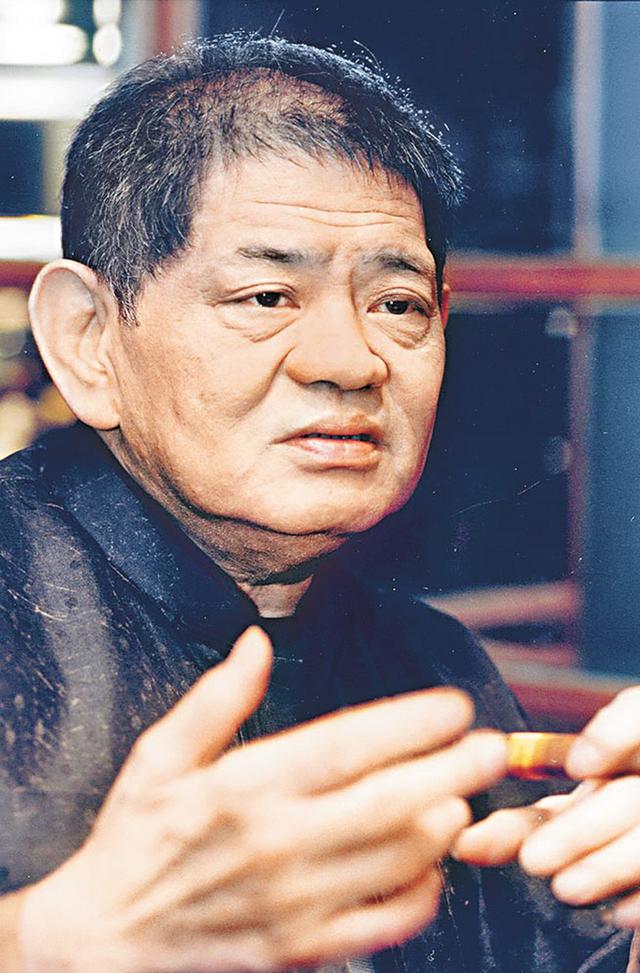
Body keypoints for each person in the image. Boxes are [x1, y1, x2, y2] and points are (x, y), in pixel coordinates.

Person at [1, 31, 639, 972]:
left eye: (397, 305)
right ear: (88, 337)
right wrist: (45, 944)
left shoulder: (434, 666)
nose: (349, 362)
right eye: (266, 297)